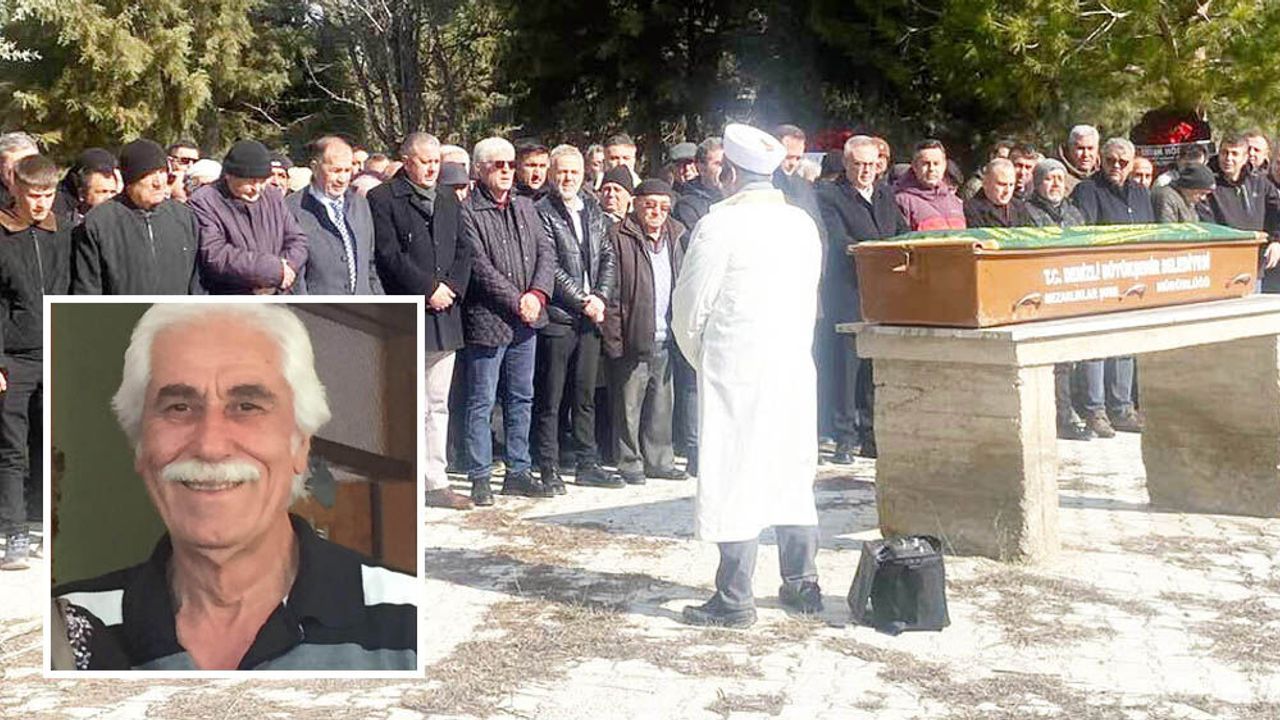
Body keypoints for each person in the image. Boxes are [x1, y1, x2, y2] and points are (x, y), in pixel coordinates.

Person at [50, 304, 418, 669]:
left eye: (247, 406)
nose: (210, 446)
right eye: (179, 407)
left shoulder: (415, 622)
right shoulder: (61, 635)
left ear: (301, 444)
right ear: (141, 445)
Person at [672, 123, 823, 628]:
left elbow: (689, 308)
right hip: (792, 362)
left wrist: (704, 357)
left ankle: (735, 596)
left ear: (730, 174)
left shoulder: (719, 225)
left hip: (736, 366)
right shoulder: (800, 223)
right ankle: (801, 582)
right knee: (791, 468)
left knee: (733, 470)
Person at [368, 132, 473, 510]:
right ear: (406, 161)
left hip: (446, 315)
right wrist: (428, 288)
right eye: (424, 161)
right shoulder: (383, 198)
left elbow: (464, 249)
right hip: (410, 310)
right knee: (405, 402)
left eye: (436, 162)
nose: (431, 168)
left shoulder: (447, 197)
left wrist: (452, 288)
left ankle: (435, 480)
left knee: (437, 402)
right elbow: (388, 254)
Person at [458, 137, 555, 504]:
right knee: (482, 400)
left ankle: (518, 470)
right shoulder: (468, 212)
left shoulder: (525, 206)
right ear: (479, 169)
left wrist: (538, 295)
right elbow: (478, 266)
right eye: (498, 165)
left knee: (521, 396)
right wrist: (517, 300)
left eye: (511, 164)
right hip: (489, 318)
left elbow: (546, 253)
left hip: (527, 319)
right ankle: (480, 475)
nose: (507, 171)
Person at [533, 145, 622, 490]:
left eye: (574, 172)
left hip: (590, 317)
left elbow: (608, 255)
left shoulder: (593, 209)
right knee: (552, 397)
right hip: (559, 317)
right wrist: (583, 300)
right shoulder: (541, 211)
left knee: (585, 396)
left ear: (584, 174)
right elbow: (550, 265)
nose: (568, 178)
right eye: (562, 171)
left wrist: (600, 296)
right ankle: (549, 466)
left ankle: (588, 463)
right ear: (552, 174)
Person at [0, 155, 71, 570]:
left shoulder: (61, 231)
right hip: (14, 358)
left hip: (54, 347)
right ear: (16, 189)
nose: (41, 203)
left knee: (54, 444)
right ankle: (14, 533)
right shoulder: (3, 234)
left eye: (48, 194)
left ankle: (50, 525)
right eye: (33, 195)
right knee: (12, 448)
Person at [816, 135, 907, 463]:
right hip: (848, 291)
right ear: (846, 163)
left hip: (881, 293)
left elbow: (901, 231)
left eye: (871, 164)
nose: (866, 171)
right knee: (846, 368)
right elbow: (840, 241)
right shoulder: (829, 195)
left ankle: (871, 434)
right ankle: (844, 437)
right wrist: (881, 253)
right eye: (859, 164)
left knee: (873, 368)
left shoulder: (885, 194)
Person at [602, 179, 687, 485]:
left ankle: (660, 460)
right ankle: (629, 462)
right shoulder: (618, 235)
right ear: (635, 204)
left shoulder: (677, 234)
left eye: (663, 207)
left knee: (662, 404)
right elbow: (611, 293)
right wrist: (614, 337)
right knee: (628, 406)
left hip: (667, 335)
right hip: (632, 334)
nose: (657, 212)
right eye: (650, 205)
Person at [1071, 137, 1153, 436]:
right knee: (1097, 347)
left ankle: (1122, 408)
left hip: (1133, 280)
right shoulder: (1088, 190)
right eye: (1110, 161)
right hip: (1100, 279)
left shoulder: (1141, 192)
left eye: (1123, 162)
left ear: (1131, 164)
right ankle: (1095, 411)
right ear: (1100, 161)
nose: (1116, 166)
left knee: (1125, 345)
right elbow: (1085, 235)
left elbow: (1151, 232)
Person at [73, 139, 202, 295]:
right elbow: (87, 288)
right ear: (130, 181)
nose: (158, 183)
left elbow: (196, 283)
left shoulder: (183, 217)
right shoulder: (100, 222)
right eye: (148, 175)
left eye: (162, 172)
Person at [1025, 159, 1091, 441]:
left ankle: (1072, 411)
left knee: (1070, 357)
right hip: (1041, 290)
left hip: (1071, 289)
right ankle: (1059, 417)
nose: (1055, 184)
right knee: (1052, 360)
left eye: (1059, 179)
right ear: (1037, 182)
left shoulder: (1075, 213)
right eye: (1048, 179)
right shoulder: (1026, 212)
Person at [189, 140, 308, 294]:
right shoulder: (205, 201)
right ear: (228, 176)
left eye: (262, 181)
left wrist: (285, 269)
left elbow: (297, 239)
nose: (257, 189)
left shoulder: (272, 196)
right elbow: (215, 254)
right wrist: (271, 271)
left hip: (277, 292)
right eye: (250, 182)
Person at [286, 136, 383, 295]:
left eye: (347, 170)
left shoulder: (360, 204)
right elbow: (294, 277)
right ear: (315, 168)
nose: (342, 179)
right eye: (335, 171)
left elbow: (369, 265)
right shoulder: (292, 209)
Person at [1197, 133, 1280, 291]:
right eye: (1224, 152)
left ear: (1245, 157)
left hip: (1254, 267)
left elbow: (1276, 212)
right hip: (1221, 267)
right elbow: (1206, 224)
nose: (1228, 158)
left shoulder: (1259, 182)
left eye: (1234, 154)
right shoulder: (1207, 184)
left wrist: (1276, 240)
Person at [895, 139, 965, 231]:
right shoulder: (902, 202)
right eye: (926, 164)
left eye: (936, 164)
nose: (931, 169)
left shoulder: (955, 201)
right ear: (915, 167)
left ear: (944, 166)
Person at [963, 158, 1032, 228]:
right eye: (1002, 184)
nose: (1007, 191)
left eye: (1011, 185)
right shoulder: (972, 209)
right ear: (985, 183)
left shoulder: (1019, 207)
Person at [672, 138, 723, 232]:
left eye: (727, 164)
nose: (724, 169)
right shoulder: (687, 205)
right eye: (718, 164)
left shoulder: (739, 195)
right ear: (701, 167)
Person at [1057, 124, 1099, 193]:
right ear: (1070, 149)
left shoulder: (1106, 177)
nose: (1085, 154)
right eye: (1080, 148)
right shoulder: (1058, 178)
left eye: (1090, 148)